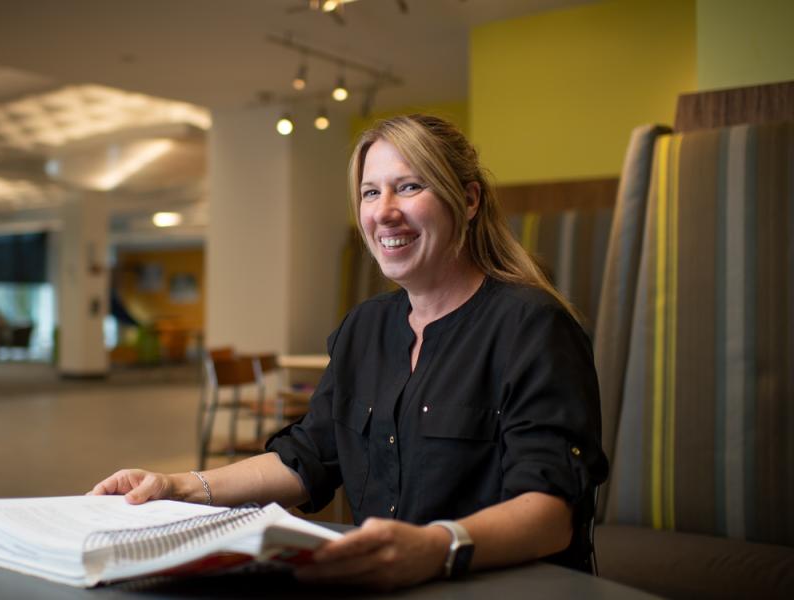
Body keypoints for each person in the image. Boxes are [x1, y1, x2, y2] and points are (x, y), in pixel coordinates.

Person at [89, 115, 608, 590]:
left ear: (468, 200)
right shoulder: (365, 328)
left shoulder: (532, 326)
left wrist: (434, 547)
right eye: (369, 192)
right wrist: (176, 484)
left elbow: (549, 514)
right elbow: (307, 458)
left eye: (409, 187)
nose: (384, 212)